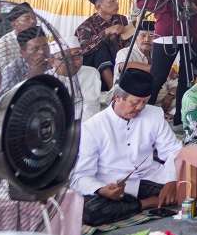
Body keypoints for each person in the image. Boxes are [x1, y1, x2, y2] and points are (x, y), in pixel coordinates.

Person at [70, 69, 182, 226]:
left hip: (149, 179)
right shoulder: (92, 128)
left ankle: (135, 205)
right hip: (113, 188)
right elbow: (80, 176)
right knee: (88, 211)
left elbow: (173, 150)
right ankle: (147, 203)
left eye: (145, 102)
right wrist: (101, 189)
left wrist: (171, 180)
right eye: (135, 102)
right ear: (117, 98)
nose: (140, 108)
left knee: (188, 187)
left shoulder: (154, 114)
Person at [72, 0, 132, 90]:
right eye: (111, 1)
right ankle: (112, 89)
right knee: (101, 49)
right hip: (97, 67)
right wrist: (106, 32)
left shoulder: (121, 19)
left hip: (119, 60)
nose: (116, 4)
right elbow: (84, 49)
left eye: (116, 0)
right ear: (98, 6)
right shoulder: (86, 26)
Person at [0, 26, 51, 107]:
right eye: (35, 49)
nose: (42, 52)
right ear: (23, 53)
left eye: (45, 46)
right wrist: (31, 78)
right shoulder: (12, 70)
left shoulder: (56, 62)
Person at [49, 41, 102, 122]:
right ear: (52, 61)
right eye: (65, 58)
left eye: (77, 55)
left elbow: (90, 110)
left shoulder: (90, 73)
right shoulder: (45, 80)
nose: (71, 62)